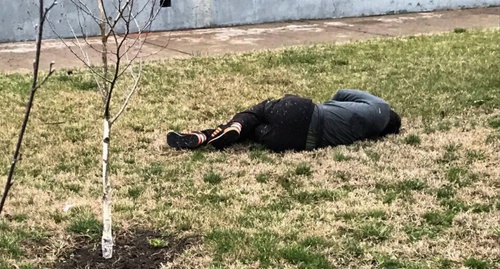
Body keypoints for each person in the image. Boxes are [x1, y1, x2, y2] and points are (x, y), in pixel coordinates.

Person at [167, 89, 401, 152]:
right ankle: (205, 136)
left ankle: (231, 127)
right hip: (292, 141)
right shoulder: (369, 132)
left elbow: (341, 93)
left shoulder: (380, 106)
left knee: (255, 113)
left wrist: (330, 107)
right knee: (254, 129)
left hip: (304, 112)